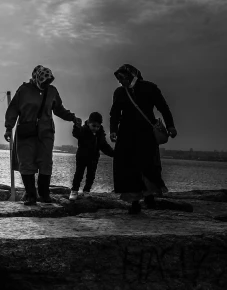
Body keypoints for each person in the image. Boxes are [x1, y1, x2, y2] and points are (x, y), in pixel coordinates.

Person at [5, 65, 82, 205]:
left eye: (49, 81)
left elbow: (59, 109)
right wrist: (8, 127)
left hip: (45, 132)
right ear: (36, 78)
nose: (46, 84)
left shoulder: (52, 91)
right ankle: (30, 195)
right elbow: (13, 108)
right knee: (26, 162)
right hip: (26, 133)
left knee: (45, 162)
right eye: (44, 81)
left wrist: (72, 117)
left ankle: (45, 194)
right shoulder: (24, 90)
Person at [109, 64, 177, 215]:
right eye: (118, 79)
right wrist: (113, 130)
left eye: (123, 78)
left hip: (146, 134)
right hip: (126, 135)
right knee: (129, 169)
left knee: (148, 165)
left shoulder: (150, 88)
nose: (120, 82)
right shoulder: (119, 92)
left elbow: (163, 107)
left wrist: (171, 126)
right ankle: (134, 202)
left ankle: (149, 195)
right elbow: (114, 113)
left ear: (132, 75)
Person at [69, 111, 114, 200]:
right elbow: (76, 133)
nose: (96, 128)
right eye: (94, 126)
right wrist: (76, 126)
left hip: (94, 158)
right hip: (82, 157)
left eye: (98, 126)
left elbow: (104, 146)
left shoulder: (100, 134)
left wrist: (114, 154)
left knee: (91, 175)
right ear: (88, 123)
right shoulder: (83, 130)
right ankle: (74, 191)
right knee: (79, 174)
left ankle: (86, 191)